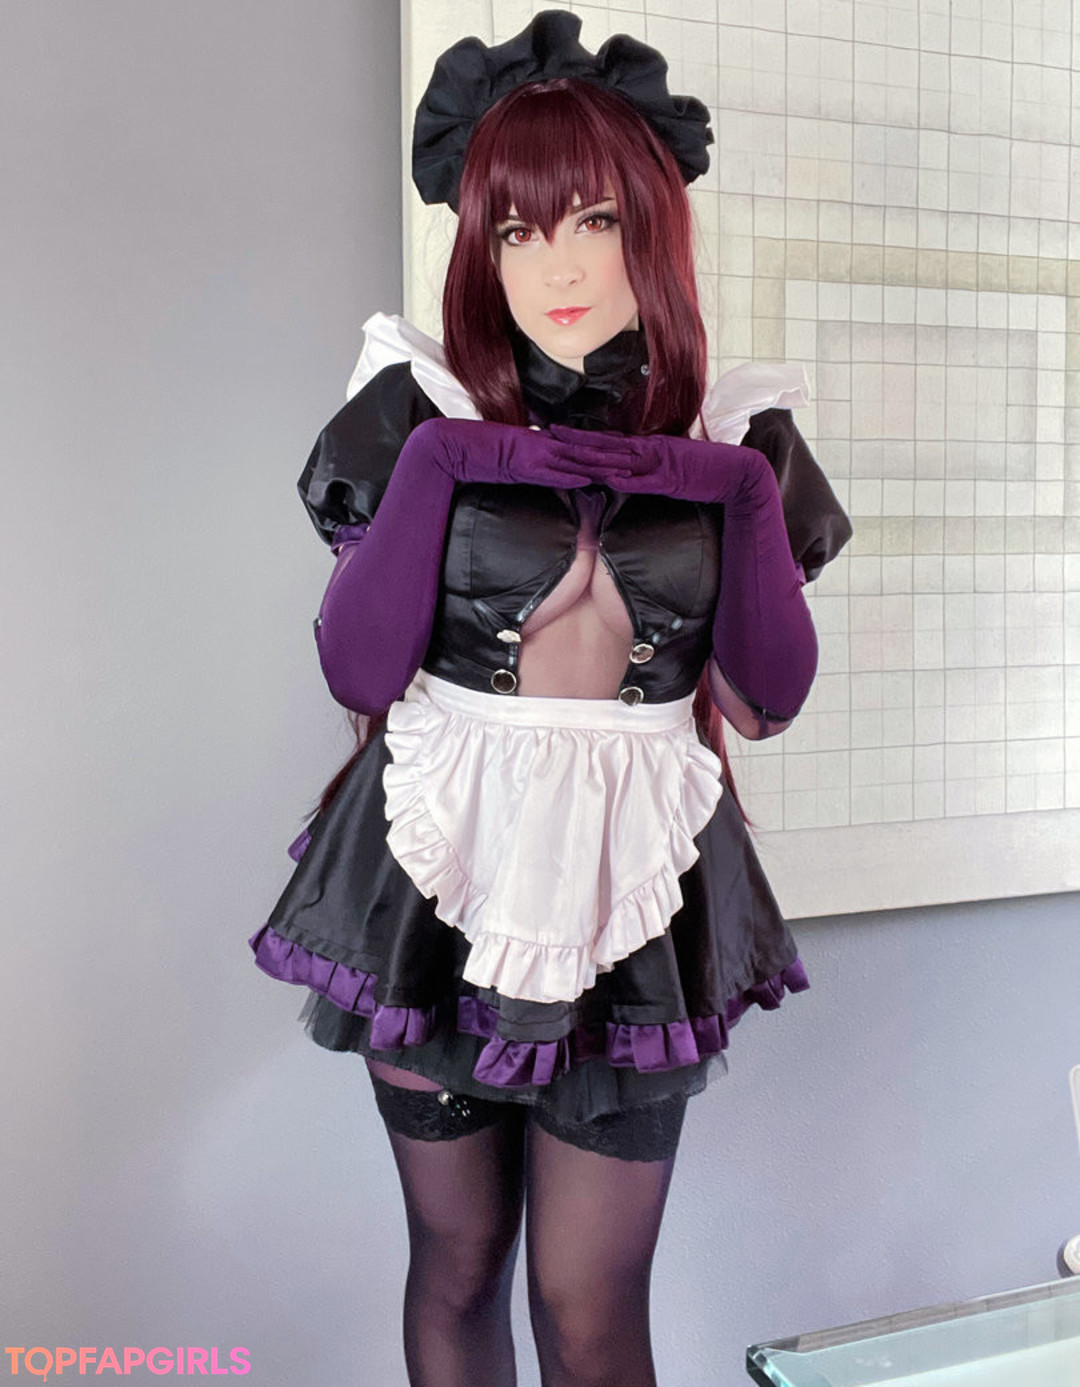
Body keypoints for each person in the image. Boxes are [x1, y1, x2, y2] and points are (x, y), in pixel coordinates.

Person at [250, 12, 852, 1386]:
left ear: (653, 229)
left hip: (633, 891)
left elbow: (765, 701)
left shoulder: (740, 437)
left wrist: (741, 494)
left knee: (590, 1305)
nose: (558, 267)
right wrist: (443, 463)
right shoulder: (417, 408)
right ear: (482, 248)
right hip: (431, 873)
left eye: (593, 221)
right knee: (458, 1264)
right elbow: (359, 671)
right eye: (518, 232)